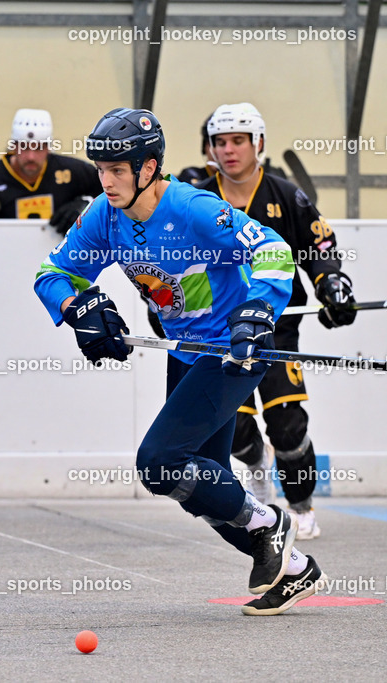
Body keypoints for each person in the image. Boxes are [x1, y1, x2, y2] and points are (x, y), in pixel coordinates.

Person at [33, 107, 327, 616]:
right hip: (187, 352)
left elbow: (274, 251)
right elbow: (52, 272)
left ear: (149, 168)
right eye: (100, 170)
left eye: (117, 170)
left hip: (234, 352)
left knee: (157, 463)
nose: (106, 181)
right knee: (200, 484)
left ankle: (274, 524)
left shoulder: (192, 208)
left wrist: (259, 308)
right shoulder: (105, 215)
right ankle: (297, 568)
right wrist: (76, 306)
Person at [197, 102, 356, 540]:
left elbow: (320, 245)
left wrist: (332, 284)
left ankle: (301, 506)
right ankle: (254, 464)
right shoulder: (196, 199)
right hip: (218, 329)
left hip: (277, 327)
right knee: (234, 427)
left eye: (239, 141)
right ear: (210, 147)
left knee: (287, 424)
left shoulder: (286, 194)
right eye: (220, 142)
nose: (229, 151)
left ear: (258, 144)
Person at [0, 108, 101, 231]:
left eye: (38, 148)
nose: (31, 156)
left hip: (62, 264)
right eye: (24, 147)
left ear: (49, 147)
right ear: (13, 146)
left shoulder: (74, 171)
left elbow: (114, 196)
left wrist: (87, 206)